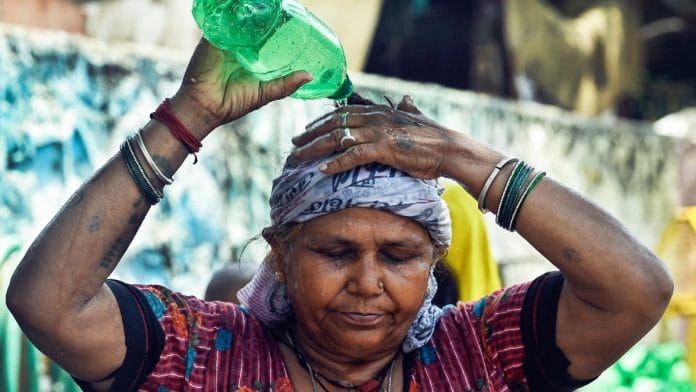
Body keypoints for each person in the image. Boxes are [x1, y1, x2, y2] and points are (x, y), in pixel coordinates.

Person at [5, 37, 673, 392]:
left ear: (434, 262)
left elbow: (637, 291)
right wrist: (187, 117)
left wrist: (467, 159)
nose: (368, 282)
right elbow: (48, 305)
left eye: (399, 254)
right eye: (334, 251)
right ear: (281, 253)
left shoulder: (475, 355)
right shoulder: (204, 355)